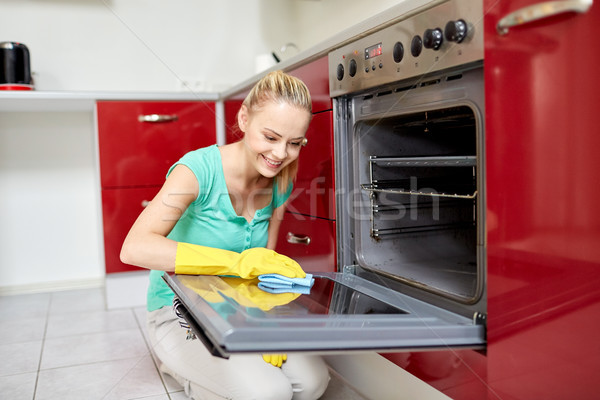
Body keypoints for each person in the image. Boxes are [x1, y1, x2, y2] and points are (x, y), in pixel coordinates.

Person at [120, 70, 330, 400]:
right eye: (271, 137)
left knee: (313, 381)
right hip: (179, 310)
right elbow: (134, 248)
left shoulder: (281, 176)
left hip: (239, 309)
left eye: (294, 143)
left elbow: (264, 266)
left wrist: (267, 320)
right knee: (268, 392)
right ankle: (175, 363)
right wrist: (235, 263)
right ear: (244, 118)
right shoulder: (197, 170)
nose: (280, 154)